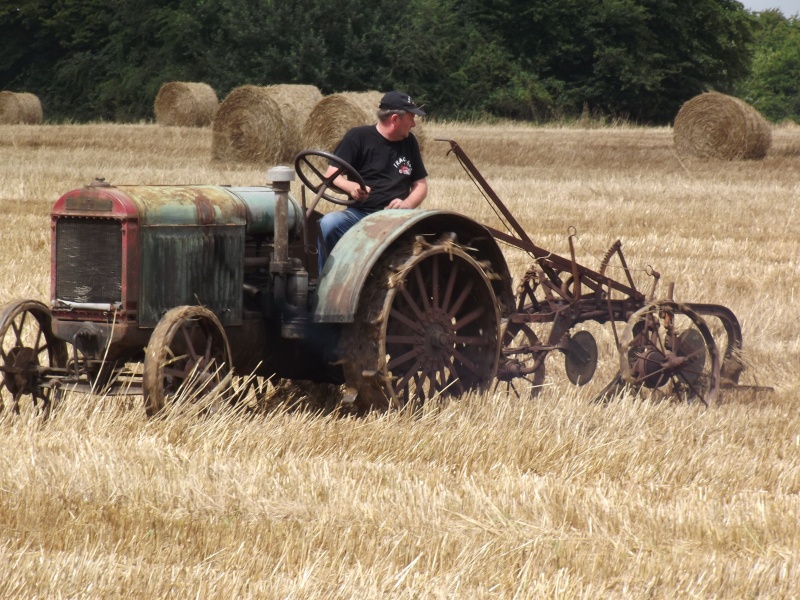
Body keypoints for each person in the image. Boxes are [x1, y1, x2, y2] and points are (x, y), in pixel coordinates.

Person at [317, 91, 428, 270]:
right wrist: (351, 187)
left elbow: (420, 185)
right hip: (359, 215)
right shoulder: (358, 137)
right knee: (329, 224)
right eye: (411, 118)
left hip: (396, 218)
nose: (414, 124)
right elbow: (331, 173)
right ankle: (325, 285)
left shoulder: (410, 142)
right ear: (395, 119)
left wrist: (406, 204)